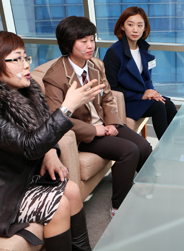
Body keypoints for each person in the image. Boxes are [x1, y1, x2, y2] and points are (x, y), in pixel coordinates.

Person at [0, 31, 104, 251]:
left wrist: (50, 151)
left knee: (71, 190)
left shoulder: (26, 91)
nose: (26, 65)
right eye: (16, 59)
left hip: (15, 174)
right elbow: (28, 145)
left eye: (25, 57)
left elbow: (41, 133)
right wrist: (67, 108)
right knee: (58, 205)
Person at [43, 16, 152, 219]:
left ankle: (145, 189)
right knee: (129, 151)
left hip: (104, 124)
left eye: (91, 40)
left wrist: (111, 123)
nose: (90, 45)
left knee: (144, 147)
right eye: (83, 41)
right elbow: (57, 118)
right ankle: (117, 207)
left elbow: (108, 97)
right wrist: (95, 130)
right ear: (68, 44)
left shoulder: (95, 65)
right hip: (82, 135)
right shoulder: (55, 77)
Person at [103, 6, 177, 140]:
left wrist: (153, 93)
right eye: (130, 24)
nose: (135, 29)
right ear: (122, 27)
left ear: (144, 28)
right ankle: (165, 150)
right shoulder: (114, 53)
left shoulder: (143, 48)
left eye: (139, 25)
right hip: (126, 101)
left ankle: (175, 146)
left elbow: (147, 80)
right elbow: (111, 89)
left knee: (169, 105)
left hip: (140, 97)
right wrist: (142, 95)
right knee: (158, 107)